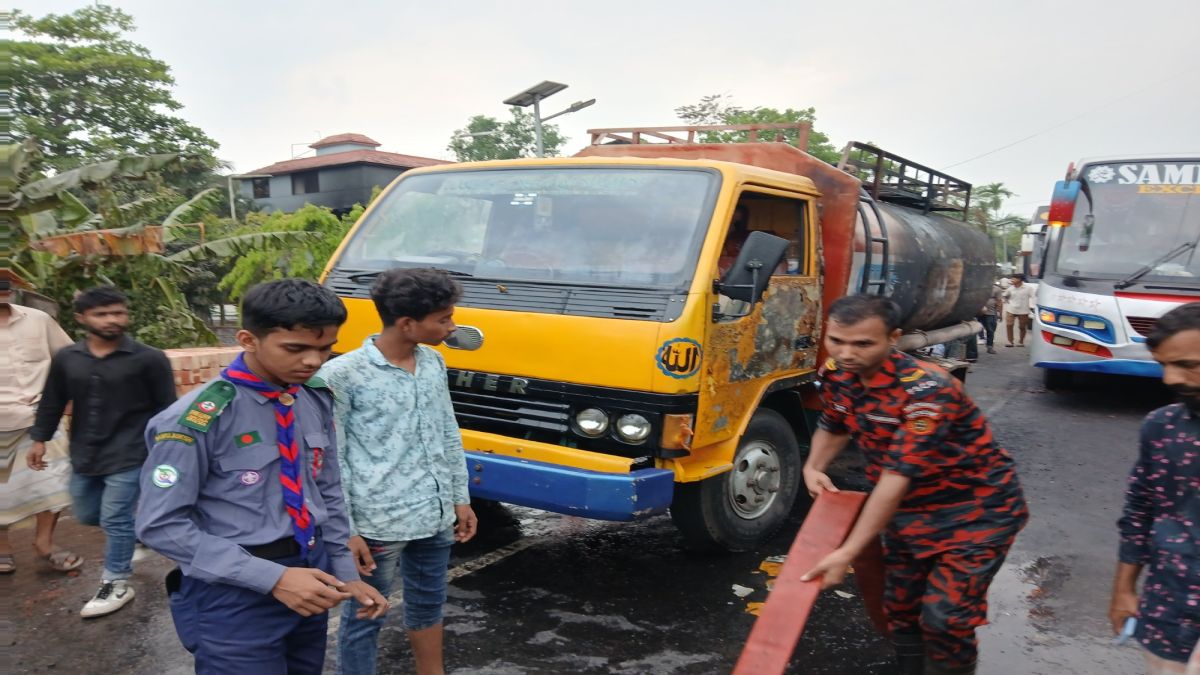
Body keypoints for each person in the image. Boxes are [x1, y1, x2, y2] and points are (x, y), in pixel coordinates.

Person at [136, 279, 387, 674]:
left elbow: (326, 489)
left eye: (325, 348)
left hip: (312, 574)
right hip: (235, 591)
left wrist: (344, 572)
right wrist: (273, 579)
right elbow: (161, 525)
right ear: (248, 339)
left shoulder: (313, 397)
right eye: (296, 348)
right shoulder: (197, 418)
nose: (313, 361)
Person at [800, 294, 1028, 675]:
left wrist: (848, 551)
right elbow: (835, 422)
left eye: (863, 343)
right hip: (909, 517)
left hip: (975, 515)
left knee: (945, 619)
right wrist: (813, 466)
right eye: (837, 341)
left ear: (894, 338)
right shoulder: (838, 374)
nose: (846, 353)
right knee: (902, 610)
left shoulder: (926, 390)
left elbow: (896, 477)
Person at [319, 268, 477, 675]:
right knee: (365, 615)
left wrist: (460, 498)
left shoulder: (433, 362)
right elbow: (334, 457)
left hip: (435, 515)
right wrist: (347, 529)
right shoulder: (342, 375)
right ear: (407, 324)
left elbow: (446, 430)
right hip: (378, 525)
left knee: (429, 604)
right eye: (443, 319)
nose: (451, 326)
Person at [29, 286, 176, 617]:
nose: (112, 320)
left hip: (132, 451)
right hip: (85, 451)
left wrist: (168, 451)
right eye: (102, 314)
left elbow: (168, 409)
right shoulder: (68, 359)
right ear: (82, 319)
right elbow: (53, 400)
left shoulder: (150, 359)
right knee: (87, 514)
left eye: (118, 312)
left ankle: (116, 582)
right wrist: (39, 439)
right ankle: (138, 534)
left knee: (114, 517)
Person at [1109, 302, 1200, 674]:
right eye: (1164, 365)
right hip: (1171, 606)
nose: (1170, 379)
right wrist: (1124, 589)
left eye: (1187, 366)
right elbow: (1139, 511)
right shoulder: (1162, 426)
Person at [0, 279, 82, 574]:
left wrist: (71, 399)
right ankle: (2, 548)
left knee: (53, 483)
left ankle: (44, 544)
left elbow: (69, 357)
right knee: (2, 489)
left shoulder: (38, 320)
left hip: (41, 416)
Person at [1002, 274, 1035, 347]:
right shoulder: (1010, 288)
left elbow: (1033, 297)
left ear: (1019, 279)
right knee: (1009, 325)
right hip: (1011, 309)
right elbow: (1004, 295)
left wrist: (1032, 306)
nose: (1012, 280)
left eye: (1014, 279)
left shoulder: (1028, 288)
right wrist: (1006, 300)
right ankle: (1010, 341)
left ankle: (1021, 341)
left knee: (1022, 327)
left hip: (1023, 310)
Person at [980, 281, 1004, 355]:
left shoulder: (997, 289)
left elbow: (999, 302)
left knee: (990, 330)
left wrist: (1000, 314)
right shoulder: (979, 287)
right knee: (975, 329)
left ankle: (989, 346)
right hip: (978, 313)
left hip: (990, 313)